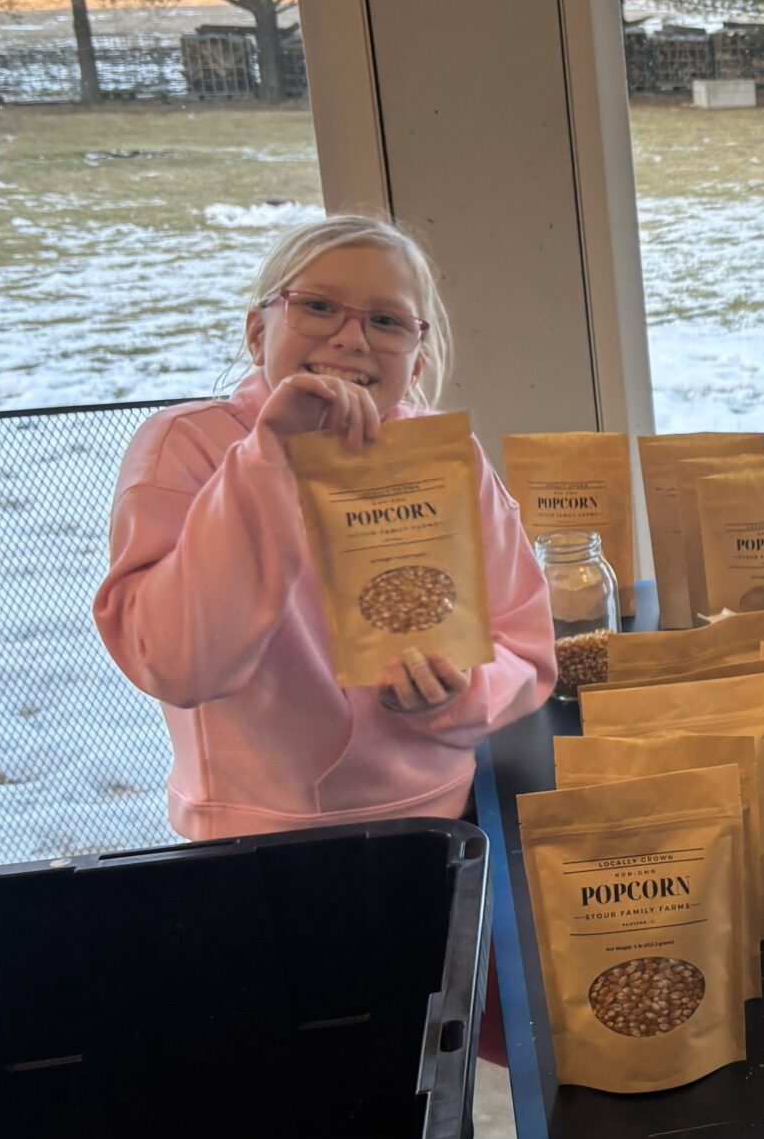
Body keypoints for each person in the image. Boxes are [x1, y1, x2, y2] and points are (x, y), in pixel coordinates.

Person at [96, 212, 555, 840]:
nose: (351, 338)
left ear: (416, 364)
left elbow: (525, 643)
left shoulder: (443, 458)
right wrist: (274, 456)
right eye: (317, 306)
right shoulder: (186, 448)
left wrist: (461, 696)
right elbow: (180, 665)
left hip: (438, 818)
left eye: (387, 320)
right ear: (259, 334)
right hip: (252, 837)